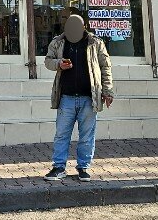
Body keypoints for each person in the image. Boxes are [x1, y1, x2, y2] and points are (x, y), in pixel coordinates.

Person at [42, 14, 114, 182]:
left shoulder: (95, 42)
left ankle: (83, 167)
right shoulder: (58, 42)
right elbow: (47, 61)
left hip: (89, 97)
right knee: (61, 134)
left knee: (87, 135)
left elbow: (105, 67)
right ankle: (59, 167)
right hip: (66, 96)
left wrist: (107, 91)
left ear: (84, 27)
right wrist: (59, 63)